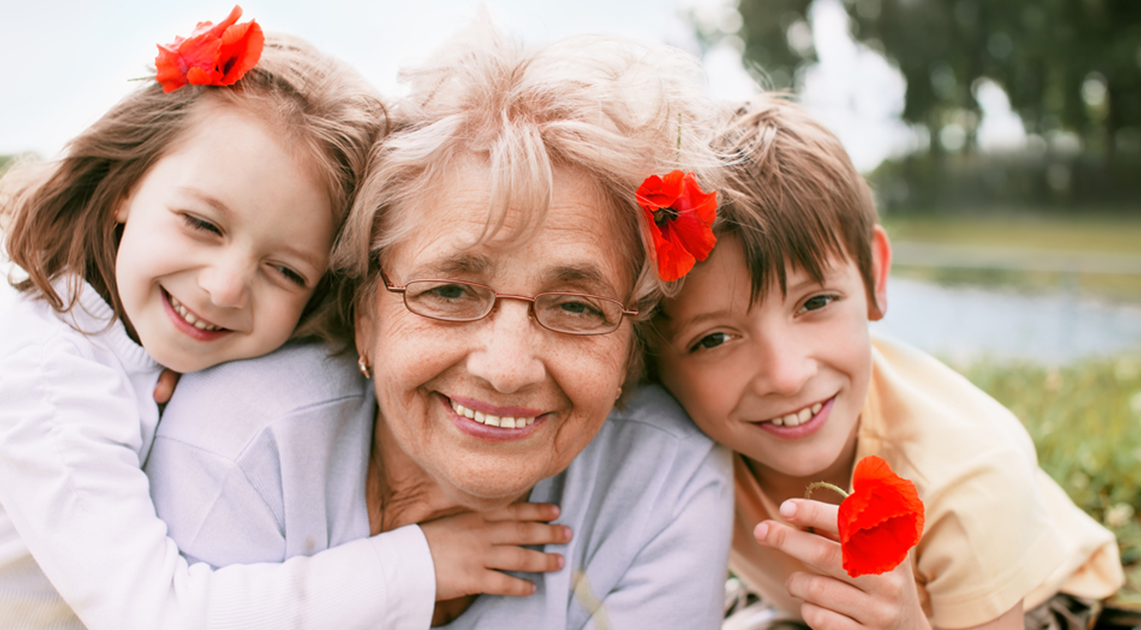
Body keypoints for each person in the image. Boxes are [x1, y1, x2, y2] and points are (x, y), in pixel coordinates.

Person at [0, 11, 564, 630]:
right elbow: (153, 615)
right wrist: (419, 565)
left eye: (285, 271)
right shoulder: (42, 377)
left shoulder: (135, 343)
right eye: (202, 223)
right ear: (125, 185)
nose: (224, 288)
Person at [144, 20, 734, 630]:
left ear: (630, 346)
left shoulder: (666, 487)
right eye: (450, 291)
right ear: (365, 313)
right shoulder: (242, 442)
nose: (505, 370)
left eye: (576, 308)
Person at [649, 95, 1124, 630]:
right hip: (806, 599)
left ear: (873, 275)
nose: (786, 375)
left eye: (815, 303)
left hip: (1034, 601)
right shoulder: (659, 436)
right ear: (646, 359)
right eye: (714, 339)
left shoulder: (967, 474)